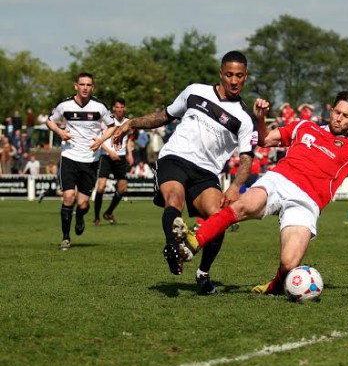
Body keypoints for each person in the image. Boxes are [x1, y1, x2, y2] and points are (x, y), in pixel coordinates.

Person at [174, 91, 348, 295]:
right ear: (330, 110)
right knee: (242, 206)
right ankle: (192, 244)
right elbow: (264, 140)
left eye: (346, 116)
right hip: (280, 180)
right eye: (337, 112)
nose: (339, 119)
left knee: (289, 263)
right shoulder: (305, 127)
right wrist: (260, 119)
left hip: (308, 202)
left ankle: (274, 287)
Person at [112, 51, 257, 295]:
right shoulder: (194, 91)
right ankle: (173, 248)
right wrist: (132, 122)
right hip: (174, 158)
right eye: (229, 75)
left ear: (245, 77)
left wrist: (234, 186)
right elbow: (165, 116)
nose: (234, 81)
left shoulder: (244, 118)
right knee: (174, 201)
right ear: (221, 74)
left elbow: (246, 159)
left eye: (239, 76)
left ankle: (203, 274)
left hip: (206, 172)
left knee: (218, 218)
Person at [46, 72, 116, 251]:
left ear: (93, 87)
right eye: (82, 84)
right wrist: (61, 132)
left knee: (83, 203)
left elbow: (111, 126)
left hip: (90, 160)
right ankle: (66, 238)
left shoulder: (99, 107)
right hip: (69, 157)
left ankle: (79, 216)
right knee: (68, 196)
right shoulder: (65, 105)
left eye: (88, 85)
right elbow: (50, 122)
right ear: (75, 86)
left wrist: (100, 141)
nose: (85, 88)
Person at [93, 98, 134, 226]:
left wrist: (130, 153)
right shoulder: (107, 121)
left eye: (122, 107)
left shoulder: (128, 122)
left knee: (122, 188)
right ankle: (96, 217)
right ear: (113, 108)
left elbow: (128, 139)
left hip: (121, 158)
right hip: (106, 156)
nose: (120, 109)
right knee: (101, 186)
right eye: (118, 107)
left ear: (125, 108)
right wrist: (110, 152)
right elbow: (98, 139)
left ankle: (109, 212)